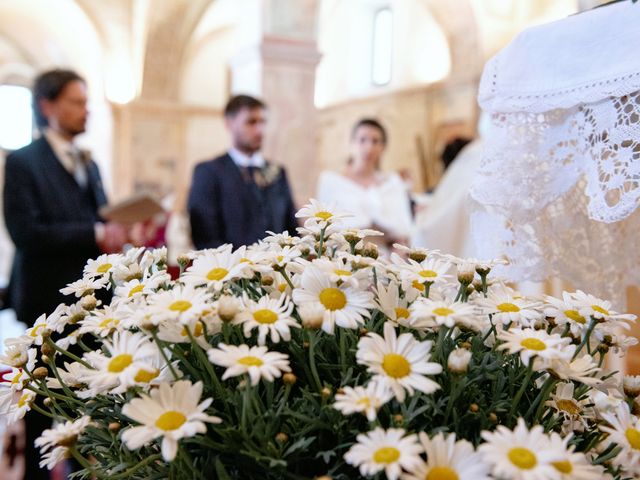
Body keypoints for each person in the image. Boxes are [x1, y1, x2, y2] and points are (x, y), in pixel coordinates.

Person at [3, 68, 128, 479]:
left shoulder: (89, 164)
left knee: (89, 407)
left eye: (86, 101)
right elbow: (26, 233)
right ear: (47, 106)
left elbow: (101, 218)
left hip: (89, 303)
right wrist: (94, 232)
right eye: (76, 102)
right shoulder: (23, 161)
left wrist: (121, 231)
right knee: (44, 410)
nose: (85, 110)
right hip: (42, 303)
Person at [188, 95, 298, 249]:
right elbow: (205, 237)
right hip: (231, 269)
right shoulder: (209, 172)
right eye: (251, 122)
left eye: (262, 122)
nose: (260, 130)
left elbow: (291, 229)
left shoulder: (278, 172)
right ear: (229, 123)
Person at [316, 118, 413, 252]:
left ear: (383, 147)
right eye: (362, 140)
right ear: (352, 143)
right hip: (341, 258)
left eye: (375, 141)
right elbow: (322, 229)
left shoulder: (392, 184)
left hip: (385, 258)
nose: (369, 147)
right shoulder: (332, 182)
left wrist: (394, 265)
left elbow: (403, 231)